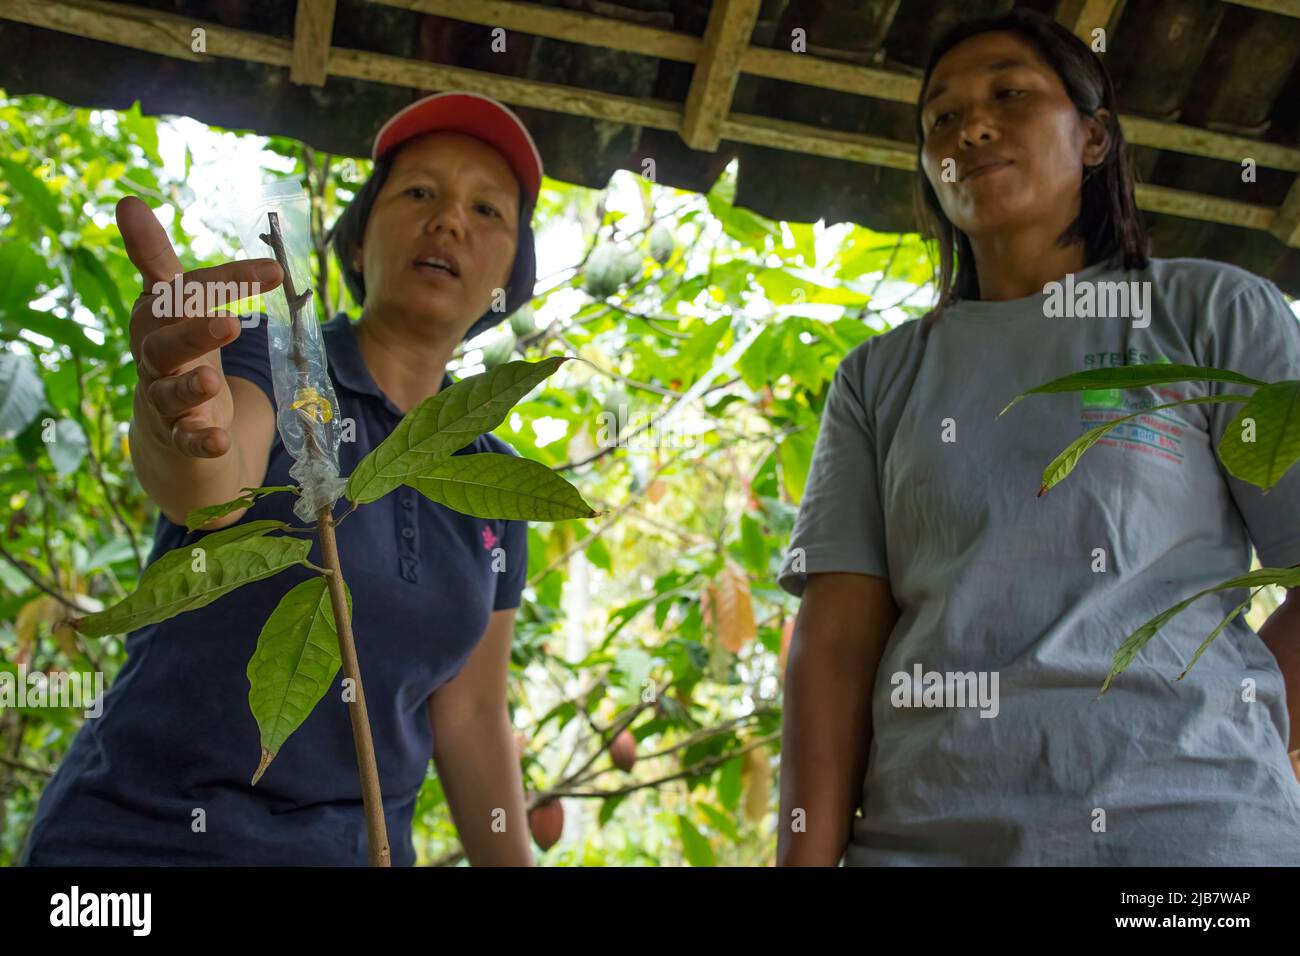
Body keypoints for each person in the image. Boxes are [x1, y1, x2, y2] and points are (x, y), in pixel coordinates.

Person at [777, 9, 1300, 866]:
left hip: (1194, 851)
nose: (970, 126)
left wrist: (1242, 739)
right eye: (939, 117)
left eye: (1009, 94)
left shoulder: (1213, 315)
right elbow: (836, 646)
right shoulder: (878, 379)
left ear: (1093, 138)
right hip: (924, 843)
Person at [22, 91, 543, 866]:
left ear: (510, 275)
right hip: (139, 847)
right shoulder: (275, 359)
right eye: (420, 192)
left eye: (487, 210)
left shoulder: (493, 485)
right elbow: (210, 478)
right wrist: (184, 413)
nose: (449, 221)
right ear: (359, 242)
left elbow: (469, 716)